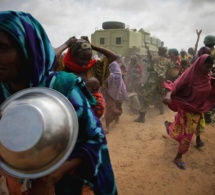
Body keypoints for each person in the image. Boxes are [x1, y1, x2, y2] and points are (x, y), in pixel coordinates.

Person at [0, 10, 118, 195]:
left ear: (27, 48)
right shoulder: (3, 91)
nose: (87, 60)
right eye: (82, 56)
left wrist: (52, 175)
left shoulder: (63, 87)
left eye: (2, 47)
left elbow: (94, 139)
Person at [163, 54, 215, 170]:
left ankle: (170, 126)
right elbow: (174, 85)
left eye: (211, 67)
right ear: (200, 65)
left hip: (198, 109)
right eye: (207, 67)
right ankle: (178, 157)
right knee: (187, 134)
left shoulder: (207, 76)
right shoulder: (190, 76)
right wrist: (168, 95)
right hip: (187, 108)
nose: (209, 70)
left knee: (193, 126)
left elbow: (210, 82)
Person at [134, 47, 170, 123]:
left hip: (153, 80)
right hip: (161, 80)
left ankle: (142, 117)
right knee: (159, 95)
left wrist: (149, 61)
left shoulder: (154, 58)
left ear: (159, 52)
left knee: (147, 97)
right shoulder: (167, 61)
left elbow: (149, 69)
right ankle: (161, 109)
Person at [102, 61, 128, 133]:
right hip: (108, 92)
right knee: (109, 107)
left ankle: (117, 117)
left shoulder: (117, 72)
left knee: (118, 106)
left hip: (118, 92)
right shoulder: (105, 68)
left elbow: (119, 78)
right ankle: (107, 126)